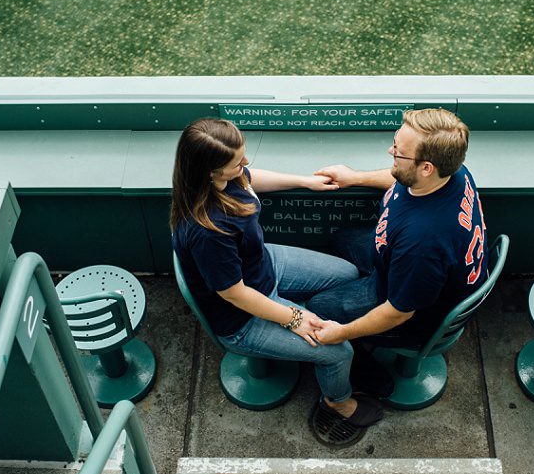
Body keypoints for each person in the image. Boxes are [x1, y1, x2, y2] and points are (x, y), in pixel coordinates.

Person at [170, 117, 383, 428]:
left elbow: (249, 177)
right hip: (241, 316)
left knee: (349, 274)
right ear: (210, 172)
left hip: (263, 265)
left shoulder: (225, 178)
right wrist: (293, 319)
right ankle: (337, 401)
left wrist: (304, 181)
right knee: (339, 352)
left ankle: (312, 329)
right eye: (235, 161)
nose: (244, 163)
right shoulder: (207, 232)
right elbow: (234, 293)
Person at [307, 108, 488, 394]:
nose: (390, 150)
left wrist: (340, 332)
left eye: (399, 151)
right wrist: (354, 177)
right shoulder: (453, 172)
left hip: (408, 311)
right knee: (342, 239)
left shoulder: (423, 244)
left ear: (426, 167)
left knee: (318, 308)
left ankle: (365, 372)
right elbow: (399, 178)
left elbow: (398, 312)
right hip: (395, 257)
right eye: (395, 141)